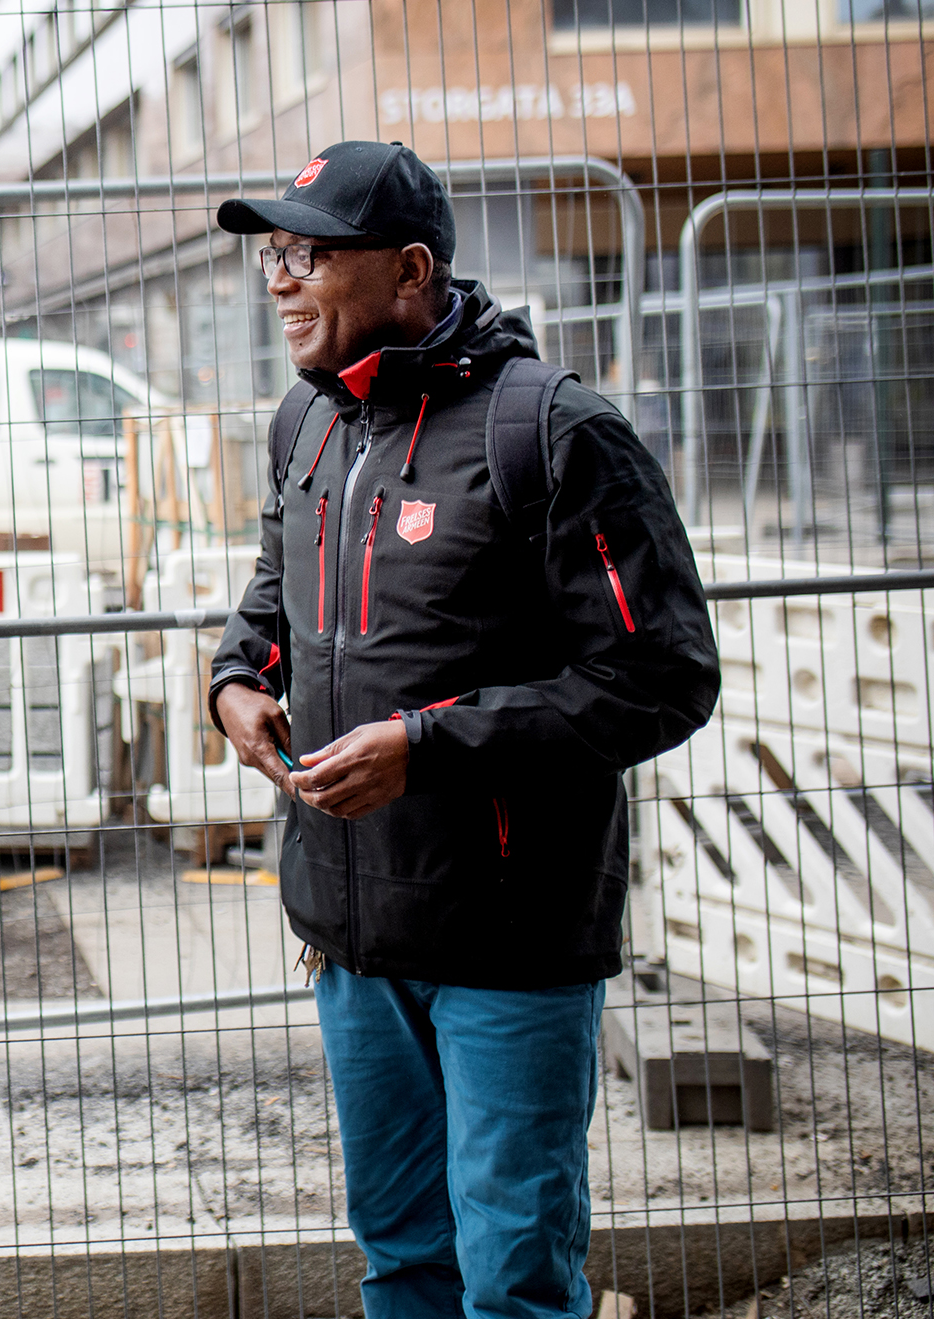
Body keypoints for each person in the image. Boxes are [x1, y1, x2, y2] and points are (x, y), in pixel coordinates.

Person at [206, 142, 719, 1319]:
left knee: (511, 1278)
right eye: (273, 253)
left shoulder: (553, 432)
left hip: (511, 941)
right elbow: (270, 605)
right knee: (401, 1257)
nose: (278, 278)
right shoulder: (309, 425)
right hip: (353, 938)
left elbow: (661, 677)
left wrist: (426, 747)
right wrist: (233, 682)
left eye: (309, 254)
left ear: (410, 270)